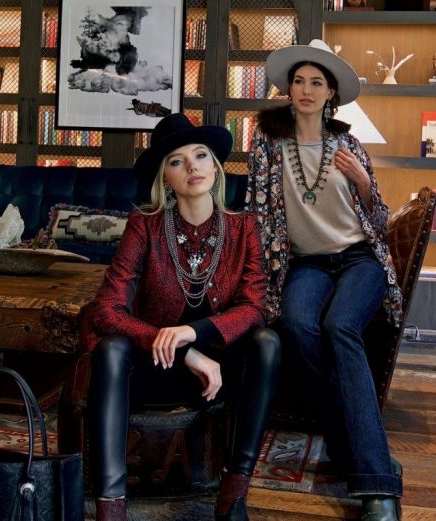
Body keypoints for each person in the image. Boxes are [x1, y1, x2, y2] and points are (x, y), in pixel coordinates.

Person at [87, 113, 281, 521]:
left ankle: (233, 496)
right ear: (166, 178)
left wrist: (194, 333)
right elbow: (106, 309)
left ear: (216, 165)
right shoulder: (144, 226)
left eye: (200, 155)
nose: (193, 166)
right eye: (177, 161)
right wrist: (184, 350)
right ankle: (111, 507)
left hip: (220, 369)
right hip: (156, 364)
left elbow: (254, 306)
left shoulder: (243, 227)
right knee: (110, 348)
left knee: (267, 342)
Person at [244, 40, 404, 521]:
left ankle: (377, 488)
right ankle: (349, 441)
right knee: (296, 325)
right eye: (299, 81)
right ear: (289, 89)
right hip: (306, 263)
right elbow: (258, 213)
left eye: (317, 82)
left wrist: (362, 183)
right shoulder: (268, 142)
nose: (307, 90)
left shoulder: (350, 145)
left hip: (359, 259)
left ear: (331, 92)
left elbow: (380, 222)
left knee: (340, 327)